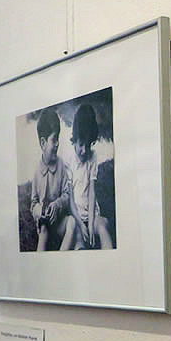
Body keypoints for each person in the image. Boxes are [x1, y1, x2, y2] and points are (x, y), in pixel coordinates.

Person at [69, 103, 113, 249]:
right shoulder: (69, 159)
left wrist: (92, 220)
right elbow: (70, 197)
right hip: (76, 217)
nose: (84, 150)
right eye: (81, 144)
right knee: (78, 239)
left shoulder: (92, 157)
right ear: (74, 139)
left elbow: (92, 192)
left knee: (102, 226)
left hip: (92, 214)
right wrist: (81, 224)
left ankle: (113, 260)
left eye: (88, 145)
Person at [30, 108, 76, 251]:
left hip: (59, 222)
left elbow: (67, 194)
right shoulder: (37, 171)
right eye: (54, 139)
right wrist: (37, 210)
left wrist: (57, 204)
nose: (57, 144)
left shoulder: (62, 166)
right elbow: (33, 202)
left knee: (72, 223)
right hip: (44, 225)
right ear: (43, 143)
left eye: (58, 139)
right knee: (43, 230)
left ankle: (63, 253)